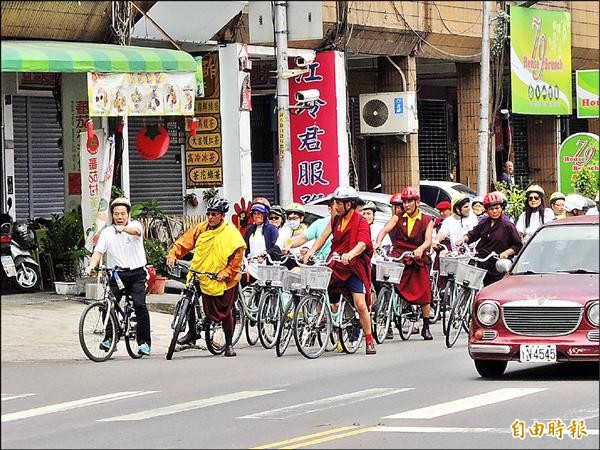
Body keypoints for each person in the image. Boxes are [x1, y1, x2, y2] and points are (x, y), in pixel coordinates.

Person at [166, 197, 246, 357]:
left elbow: (237, 259)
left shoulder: (231, 234)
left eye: (214, 214)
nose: (210, 217)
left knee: (226, 311)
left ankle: (229, 344)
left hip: (222, 278)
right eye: (208, 214)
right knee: (189, 298)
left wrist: (226, 272)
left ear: (222, 216)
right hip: (199, 273)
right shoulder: (201, 228)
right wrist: (173, 254)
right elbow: (184, 242)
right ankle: (192, 333)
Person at [303, 186, 377, 355]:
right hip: (335, 264)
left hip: (353, 268)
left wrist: (350, 254)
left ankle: (369, 339)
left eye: (338, 203)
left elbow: (363, 244)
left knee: (360, 304)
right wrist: (311, 251)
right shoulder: (335, 219)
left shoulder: (361, 221)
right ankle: (332, 328)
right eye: (335, 203)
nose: (335, 206)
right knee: (324, 292)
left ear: (349, 204)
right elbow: (323, 236)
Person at [84, 197, 152, 356]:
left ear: (128, 215)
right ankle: (110, 338)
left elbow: (136, 232)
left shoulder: (135, 226)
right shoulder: (107, 233)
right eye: (116, 214)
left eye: (122, 214)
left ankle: (144, 343)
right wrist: (91, 266)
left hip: (137, 274)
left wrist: (123, 229)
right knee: (106, 304)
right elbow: (98, 252)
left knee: (139, 305)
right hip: (117, 275)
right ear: (112, 215)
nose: (119, 217)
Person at [375, 186, 435, 340]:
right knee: (387, 280)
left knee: (424, 292)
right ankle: (389, 317)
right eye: (405, 202)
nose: (407, 205)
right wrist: (378, 242)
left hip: (417, 257)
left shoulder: (427, 220)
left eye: (410, 202)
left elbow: (428, 240)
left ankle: (426, 325)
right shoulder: (398, 216)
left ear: (417, 202)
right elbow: (384, 230)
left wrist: (421, 249)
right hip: (399, 254)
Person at [455, 191, 523, 287]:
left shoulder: (508, 226)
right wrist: (462, 239)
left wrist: (506, 253)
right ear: (487, 210)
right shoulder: (483, 222)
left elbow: (518, 245)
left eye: (497, 208)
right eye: (491, 209)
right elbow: (472, 235)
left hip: (497, 265)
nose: (495, 211)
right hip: (481, 261)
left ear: (501, 208)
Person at [242, 201, 280, 285]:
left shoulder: (272, 229)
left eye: (259, 213)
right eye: (254, 213)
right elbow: (243, 247)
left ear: (265, 214)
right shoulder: (250, 229)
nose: (256, 216)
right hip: (252, 267)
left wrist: (266, 254)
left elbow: (277, 248)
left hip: (267, 268)